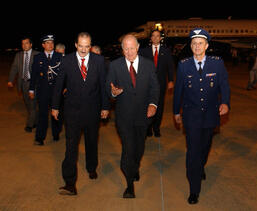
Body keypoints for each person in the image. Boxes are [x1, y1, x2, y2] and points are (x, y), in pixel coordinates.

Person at [173, 28, 230, 204]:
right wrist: (176, 111)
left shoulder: (217, 63)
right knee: (193, 152)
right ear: (191, 46)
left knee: (205, 147)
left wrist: (225, 102)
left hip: (211, 114)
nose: (197, 46)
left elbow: (224, 85)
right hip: (191, 116)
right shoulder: (184, 65)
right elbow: (178, 91)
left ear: (206, 45)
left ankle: (200, 165)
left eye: (200, 43)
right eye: (194, 43)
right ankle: (194, 189)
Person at [51, 32, 110, 195]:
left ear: (90, 46)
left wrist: (105, 106)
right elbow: (58, 85)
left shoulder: (99, 61)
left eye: (87, 46)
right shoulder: (67, 61)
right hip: (72, 112)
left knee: (91, 142)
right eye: (81, 46)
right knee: (71, 147)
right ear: (75, 45)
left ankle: (92, 168)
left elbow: (104, 85)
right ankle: (70, 183)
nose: (84, 50)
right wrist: (55, 106)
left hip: (92, 111)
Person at [106, 34, 159, 198]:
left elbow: (155, 88)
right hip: (124, 117)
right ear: (122, 50)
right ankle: (129, 185)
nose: (129, 52)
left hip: (143, 116)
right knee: (128, 149)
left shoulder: (148, 65)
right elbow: (109, 87)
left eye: (132, 48)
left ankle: (134, 167)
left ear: (137, 48)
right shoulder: (115, 66)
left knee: (139, 148)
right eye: (126, 49)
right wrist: (113, 93)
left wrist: (153, 104)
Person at [29, 35, 63, 145]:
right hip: (43, 91)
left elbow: (64, 74)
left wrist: (65, 87)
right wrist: (31, 89)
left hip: (56, 91)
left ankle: (56, 133)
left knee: (56, 114)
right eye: (47, 43)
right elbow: (34, 74)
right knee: (42, 115)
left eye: (52, 42)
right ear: (43, 45)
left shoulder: (59, 56)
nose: (50, 45)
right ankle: (40, 137)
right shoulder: (38, 57)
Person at [140, 29, 174, 137]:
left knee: (159, 106)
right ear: (151, 38)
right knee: (148, 105)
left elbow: (170, 67)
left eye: (157, 36)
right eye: (153, 36)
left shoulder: (166, 51)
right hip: (147, 84)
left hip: (161, 84)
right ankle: (148, 128)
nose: (155, 38)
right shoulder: (144, 51)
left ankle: (156, 128)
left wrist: (171, 80)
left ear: (160, 38)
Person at [8, 37, 39, 132]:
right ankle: (35, 121)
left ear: (31, 44)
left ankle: (29, 125)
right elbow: (14, 68)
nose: (24, 45)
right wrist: (11, 80)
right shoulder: (18, 55)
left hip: (34, 84)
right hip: (23, 83)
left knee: (33, 104)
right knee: (28, 104)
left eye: (26, 43)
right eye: (22, 44)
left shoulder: (37, 55)